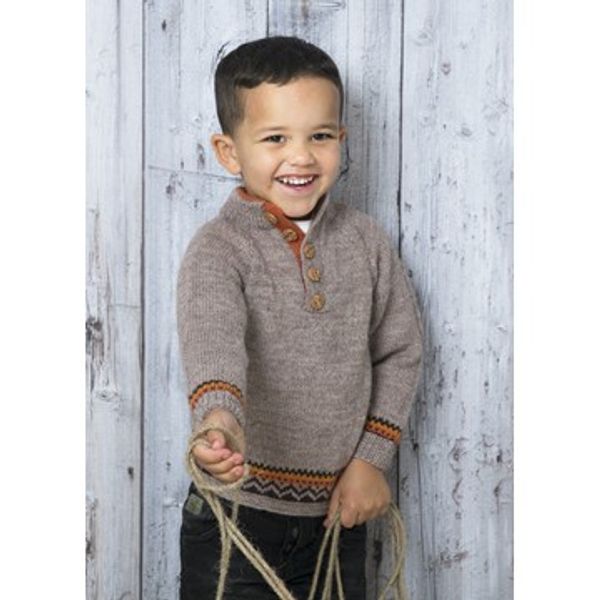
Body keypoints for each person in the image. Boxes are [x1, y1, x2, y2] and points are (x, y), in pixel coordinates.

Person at [176, 36, 424, 599]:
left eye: (320, 136)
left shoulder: (365, 243)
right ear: (229, 152)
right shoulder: (219, 250)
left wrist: (370, 461)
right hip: (236, 520)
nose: (302, 156)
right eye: (275, 138)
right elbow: (215, 346)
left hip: (338, 517)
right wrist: (220, 423)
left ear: (342, 139)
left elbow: (400, 351)